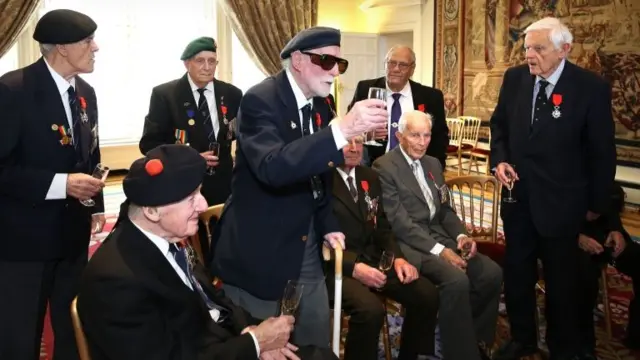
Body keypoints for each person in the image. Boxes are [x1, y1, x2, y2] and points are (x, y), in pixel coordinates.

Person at [212, 26, 388, 348]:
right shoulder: (259, 99)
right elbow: (273, 168)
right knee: (267, 345)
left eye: (340, 64)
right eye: (326, 61)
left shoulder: (322, 105)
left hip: (306, 241)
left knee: (316, 335)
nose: (335, 71)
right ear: (297, 60)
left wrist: (327, 224)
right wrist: (341, 131)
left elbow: (318, 175)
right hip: (260, 247)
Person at [77, 144, 338, 360]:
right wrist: (254, 344)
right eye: (191, 198)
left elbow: (214, 300)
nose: (203, 205)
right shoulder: (115, 279)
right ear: (151, 211)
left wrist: (251, 330)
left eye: (199, 193)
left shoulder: (168, 240)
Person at [489, 17, 617, 360]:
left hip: (564, 206)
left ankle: (563, 347)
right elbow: (499, 126)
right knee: (517, 275)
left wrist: (595, 207)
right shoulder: (515, 79)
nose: (530, 55)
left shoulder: (589, 88)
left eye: (539, 49)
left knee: (563, 285)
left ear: (564, 50)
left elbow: (602, 152)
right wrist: (499, 160)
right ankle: (522, 338)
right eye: (527, 47)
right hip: (518, 203)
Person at [0, 9, 104, 360]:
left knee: (72, 330)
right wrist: (61, 185)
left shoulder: (86, 92)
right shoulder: (13, 91)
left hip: (73, 234)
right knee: (21, 335)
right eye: (88, 41)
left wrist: (95, 207)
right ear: (61, 47)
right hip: (24, 241)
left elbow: (91, 156)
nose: (96, 48)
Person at [373, 110, 502, 360]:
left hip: (440, 236)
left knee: (491, 274)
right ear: (400, 136)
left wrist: (462, 237)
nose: (422, 142)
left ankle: (476, 338)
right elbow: (400, 223)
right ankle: (462, 354)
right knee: (456, 280)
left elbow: (444, 210)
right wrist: (441, 251)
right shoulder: (384, 166)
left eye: (427, 135)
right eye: (415, 135)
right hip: (412, 244)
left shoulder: (433, 163)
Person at [327, 135, 439, 360]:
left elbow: (383, 226)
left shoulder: (369, 176)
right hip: (337, 266)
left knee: (426, 294)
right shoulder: (320, 181)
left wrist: (397, 257)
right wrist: (354, 267)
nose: (354, 148)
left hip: (374, 259)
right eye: (347, 142)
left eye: (359, 142)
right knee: (370, 311)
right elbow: (313, 242)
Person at [140, 37, 242, 261]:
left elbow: (241, 135)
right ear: (187, 64)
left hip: (224, 182)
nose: (207, 67)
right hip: (184, 184)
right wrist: (190, 158)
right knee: (192, 246)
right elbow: (148, 144)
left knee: (225, 241)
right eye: (200, 61)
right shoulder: (165, 95)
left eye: (212, 61)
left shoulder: (232, 94)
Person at [347, 45, 449, 168]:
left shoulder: (431, 97)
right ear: (385, 65)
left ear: (412, 69)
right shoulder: (366, 89)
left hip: (415, 169)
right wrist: (366, 135)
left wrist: (435, 169)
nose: (396, 69)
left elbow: (439, 138)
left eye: (403, 65)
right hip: (373, 168)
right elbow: (350, 127)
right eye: (391, 63)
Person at [575, 185, 639, 358]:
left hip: (604, 237)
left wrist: (616, 231)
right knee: (585, 275)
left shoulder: (600, 172)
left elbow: (610, 205)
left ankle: (636, 334)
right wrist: (576, 237)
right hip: (567, 239)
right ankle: (583, 344)